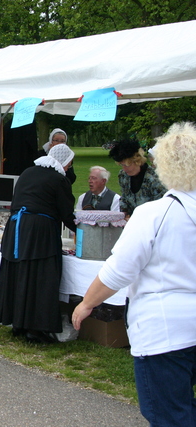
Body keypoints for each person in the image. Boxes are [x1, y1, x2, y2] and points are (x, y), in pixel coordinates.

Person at [72, 122, 196, 426]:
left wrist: (86, 302)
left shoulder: (154, 213)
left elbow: (118, 271)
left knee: (170, 415)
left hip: (166, 333)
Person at [0, 144, 77, 343]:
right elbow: (66, 213)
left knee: (19, 273)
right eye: (69, 164)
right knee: (40, 276)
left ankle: (17, 323)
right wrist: (81, 227)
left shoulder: (28, 173)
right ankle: (36, 329)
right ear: (64, 161)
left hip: (16, 227)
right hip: (39, 230)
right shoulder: (58, 179)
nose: (68, 168)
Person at [108, 138, 166, 219]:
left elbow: (160, 207)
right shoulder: (123, 176)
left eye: (127, 165)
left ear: (137, 161)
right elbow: (124, 199)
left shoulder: (153, 179)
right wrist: (125, 214)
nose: (124, 169)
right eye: (122, 165)